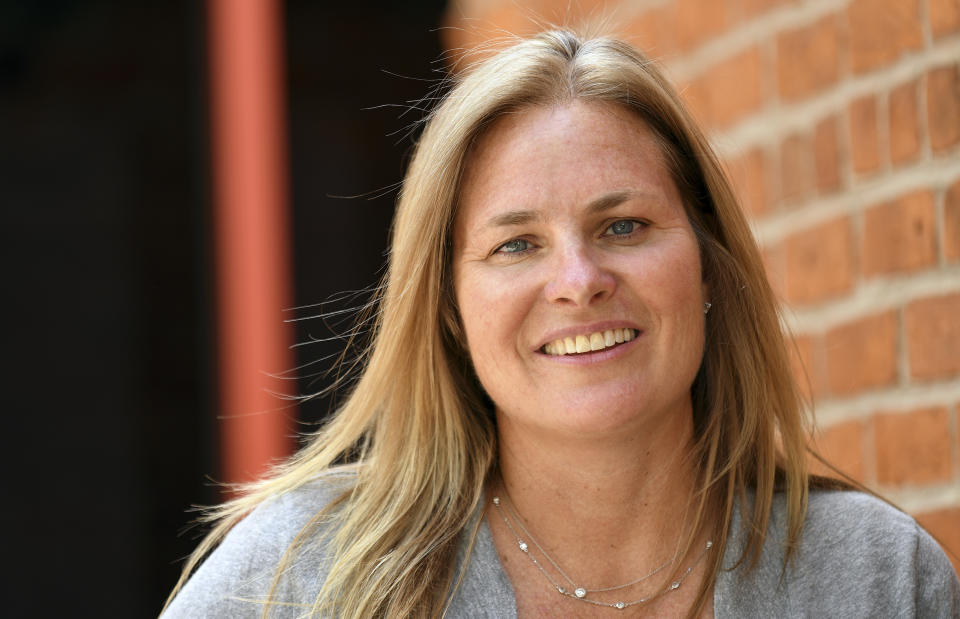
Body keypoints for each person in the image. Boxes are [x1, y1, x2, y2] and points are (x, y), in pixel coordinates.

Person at [162, 29, 960, 618]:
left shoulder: (876, 578)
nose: (578, 282)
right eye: (516, 244)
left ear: (709, 263)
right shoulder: (303, 577)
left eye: (624, 227)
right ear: (447, 307)